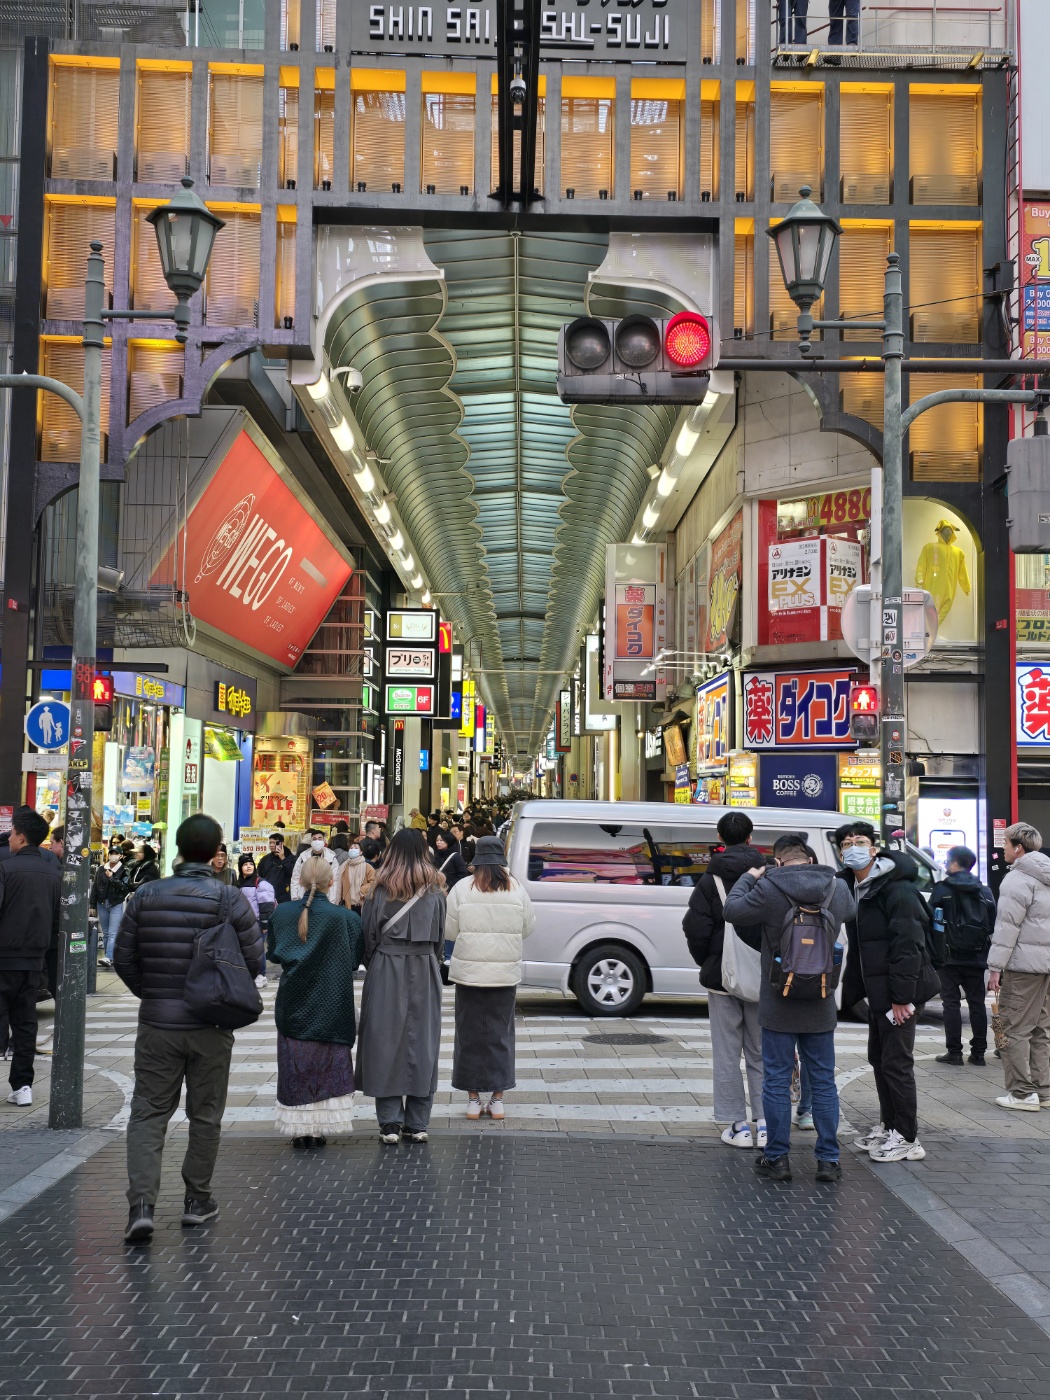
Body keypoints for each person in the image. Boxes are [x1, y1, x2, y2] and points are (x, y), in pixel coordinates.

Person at [114, 813, 263, 1245]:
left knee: (147, 1112)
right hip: (211, 1024)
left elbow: (122, 956)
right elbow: (254, 960)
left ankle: (141, 1205)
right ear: (216, 851)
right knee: (206, 1114)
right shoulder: (229, 898)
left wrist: (154, 993)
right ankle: (197, 1201)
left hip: (158, 1023)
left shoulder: (146, 894)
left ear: (179, 848)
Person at [722, 832, 856, 1184]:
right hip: (821, 998)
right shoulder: (836, 888)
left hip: (779, 999)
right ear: (809, 859)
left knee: (777, 1080)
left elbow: (732, 910)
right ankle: (828, 1160)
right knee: (824, 1081)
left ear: (778, 862)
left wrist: (750, 876)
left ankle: (777, 1158)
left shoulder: (768, 889)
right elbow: (852, 913)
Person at [842, 830, 941, 1162]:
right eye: (845, 845)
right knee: (880, 1059)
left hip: (902, 991)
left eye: (858, 843)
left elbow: (908, 945)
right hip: (878, 991)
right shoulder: (858, 888)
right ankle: (888, 1126)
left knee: (897, 1063)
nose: (851, 850)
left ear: (874, 849)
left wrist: (902, 997)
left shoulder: (896, 888)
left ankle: (908, 1138)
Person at [355, 829, 445, 1143]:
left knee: (384, 1041)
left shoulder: (380, 889)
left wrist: (378, 959)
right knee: (423, 1042)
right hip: (423, 967)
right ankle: (418, 1122)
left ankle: (390, 1122)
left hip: (385, 967)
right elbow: (440, 939)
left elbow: (367, 936)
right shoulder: (435, 888)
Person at [683, 812, 766, 1150]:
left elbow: (695, 929)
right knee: (761, 1053)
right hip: (762, 977)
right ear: (751, 838)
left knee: (727, 1051)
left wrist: (710, 962)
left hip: (721, 978)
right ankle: (764, 1123)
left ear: (720, 838)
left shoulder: (709, 880)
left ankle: (737, 1125)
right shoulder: (767, 874)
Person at [268, 855, 363, 1148]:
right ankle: (320, 1127)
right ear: (331, 882)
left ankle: (300, 1129)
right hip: (333, 1003)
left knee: (296, 1064)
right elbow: (354, 960)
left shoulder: (281, 914)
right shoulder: (347, 918)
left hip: (293, 1003)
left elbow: (273, 954)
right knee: (326, 1066)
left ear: (298, 880)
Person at [446, 836, 535, 1120]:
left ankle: (473, 1100)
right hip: (504, 974)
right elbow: (528, 928)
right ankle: (497, 1099)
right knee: (501, 1035)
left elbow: (449, 931)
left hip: (469, 975)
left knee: (468, 1035)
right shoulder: (517, 888)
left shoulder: (461, 888)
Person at [987, 821, 1050, 1111]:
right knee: (1041, 1029)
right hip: (1046, 966)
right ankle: (1043, 1090)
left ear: (1018, 848)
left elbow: (1007, 928)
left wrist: (995, 967)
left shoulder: (1016, 879)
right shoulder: (1046, 874)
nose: (1002, 849)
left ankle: (1022, 1093)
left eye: (1005, 844)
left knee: (1012, 1028)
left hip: (1023, 966)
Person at [0, 809, 60, 1106]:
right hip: (34, 961)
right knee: (25, 1024)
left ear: (21, 837)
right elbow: (59, 922)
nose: (9, 838)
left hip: (3, 958)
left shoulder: (5, 869)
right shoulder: (55, 873)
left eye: (11, 833)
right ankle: (22, 1086)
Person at [929, 846, 996, 1067]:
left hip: (948, 956)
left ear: (955, 863)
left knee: (951, 1002)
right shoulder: (984, 890)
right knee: (977, 1003)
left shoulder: (941, 889)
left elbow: (929, 919)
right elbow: (992, 922)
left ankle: (954, 1052)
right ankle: (978, 1052)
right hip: (977, 956)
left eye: (948, 860)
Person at [237, 853, 277, 989]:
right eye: (245, 864)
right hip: (245, 922)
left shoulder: (260, 882)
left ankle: (261, 975)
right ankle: (252, 974)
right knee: (249, 949)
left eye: (250, 864)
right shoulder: (240, 883)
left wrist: (265, 923)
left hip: (258, 922)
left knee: (258, 949)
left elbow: (266, 903)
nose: (248, 867)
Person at [91, 842, 134, 966]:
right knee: (105, 932)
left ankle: (109, 957)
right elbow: (95, 887)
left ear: (121, 856)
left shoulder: (124, 870)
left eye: (116, 854)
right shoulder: (101, 869)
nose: (113, 856)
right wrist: (92, 905)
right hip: (102, 903)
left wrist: (111, 878)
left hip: (115, 903)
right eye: (111, 853)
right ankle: (108, 956)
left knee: (113, 932)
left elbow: (125, 887)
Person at [290, 829, 339, 899]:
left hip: (324, 897)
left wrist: (332, 901)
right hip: (304, 896)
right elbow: (295, 878)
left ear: (324, 840)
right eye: (314, 839)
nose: (317, 841)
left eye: (320, 839)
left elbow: (334, 881)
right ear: (311, 842)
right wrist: (295, 898)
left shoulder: (331, 858)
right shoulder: (302, 857)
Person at [340, 837, 377, 914]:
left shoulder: (367, 866)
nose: (353, 849)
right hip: (347, 904)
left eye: (356, 848)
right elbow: (339, 884)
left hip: (361, 903)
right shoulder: (344, 867)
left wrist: (363, 890)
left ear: (361, 852)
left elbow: (375, 881)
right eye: (351, 848)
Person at [259, 832, 295, 904]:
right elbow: (260, 875)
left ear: (281, 843)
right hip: (267, 896)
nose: (271, 845)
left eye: (275, 843)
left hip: (284, 897)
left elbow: (293, 873)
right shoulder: (265, 859)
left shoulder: (291, 858)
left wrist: (283, 859)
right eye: (270, 843)